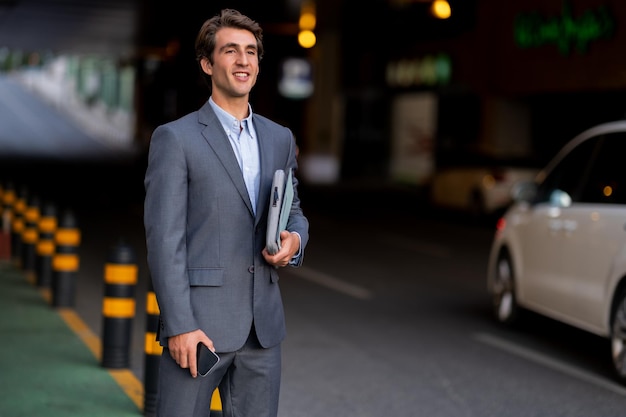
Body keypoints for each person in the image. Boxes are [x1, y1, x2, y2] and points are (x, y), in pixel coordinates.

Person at [143, 8, 309, 417]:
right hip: (199, 332)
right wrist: (179, 324)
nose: (243, 61)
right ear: (207, 63)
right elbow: (164, 240)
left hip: (263, 333)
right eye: (231, 50)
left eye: (251, 52)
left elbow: (294, 209)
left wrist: (294, 239)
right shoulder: (175, 139)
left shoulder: (279, 138)